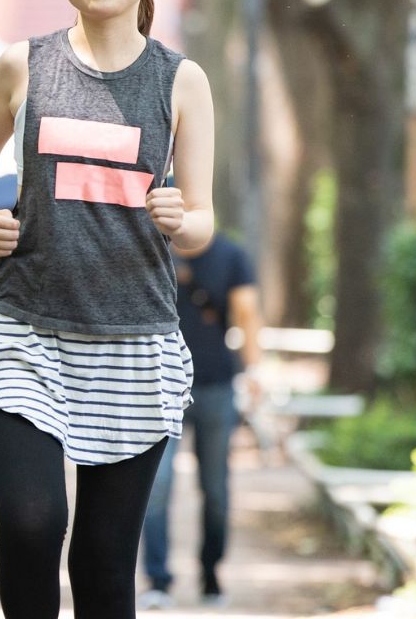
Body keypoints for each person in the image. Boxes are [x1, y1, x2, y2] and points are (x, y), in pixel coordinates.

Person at [0, 0, 215, 618]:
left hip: (134, 348)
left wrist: (179, 217)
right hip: (23, 334)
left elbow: (204, 221)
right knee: (33, 523)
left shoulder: (179, 81)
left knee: (103, 566)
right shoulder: (23, 66)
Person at [138, 230, 261, 609]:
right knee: (155, 488)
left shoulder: (230, 254)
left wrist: (254, 370)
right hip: (158, 385)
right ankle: (158, 579)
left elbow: (247, 312)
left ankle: (211, 574)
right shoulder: (148, 246)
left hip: (215, 386)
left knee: (216, 489)